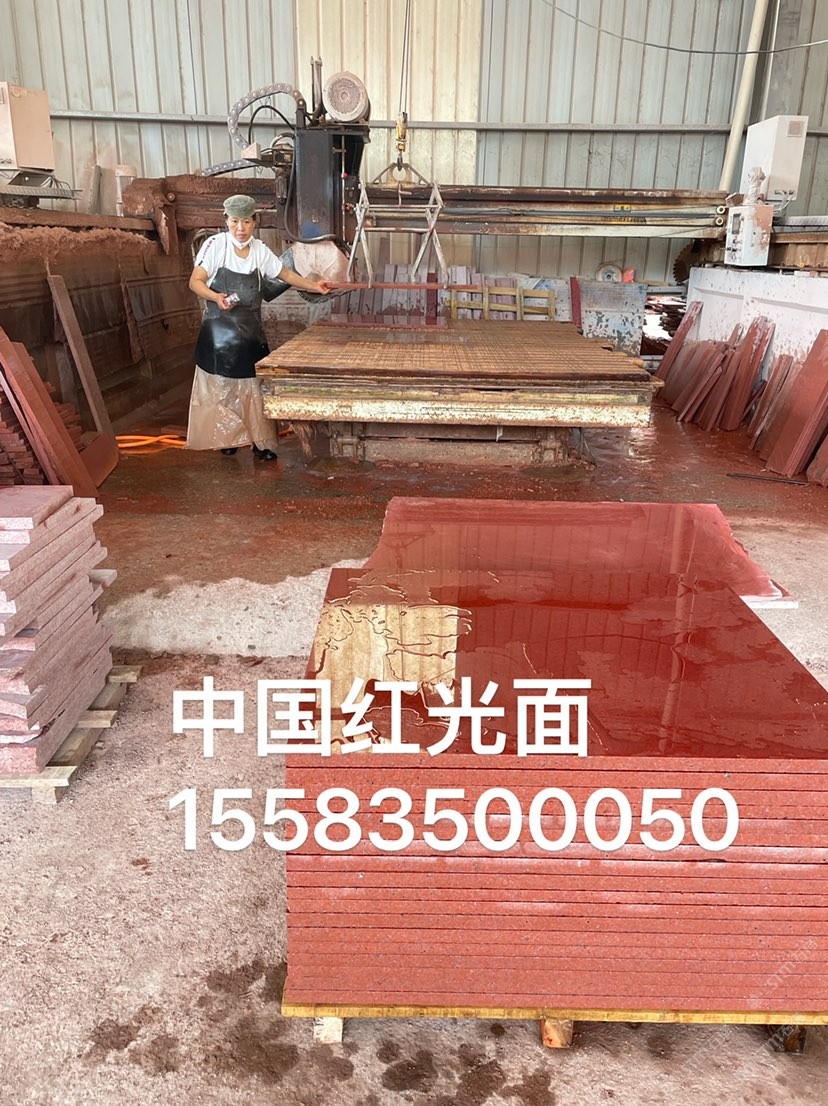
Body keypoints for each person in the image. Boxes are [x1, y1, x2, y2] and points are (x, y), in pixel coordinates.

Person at [187, 194, 334, 460]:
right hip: (218, 333)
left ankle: (261, 443)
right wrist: (216, 297)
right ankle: (227, 439)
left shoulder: (259, 250)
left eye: (246, 221)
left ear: (254, 221)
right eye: (234, 221)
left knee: (255, 389)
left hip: (250, 333)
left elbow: (284, 274)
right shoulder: (215, 245)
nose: (240, 228)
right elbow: (195, 281)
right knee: (221, 388)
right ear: (226, 221)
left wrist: (315, 285)